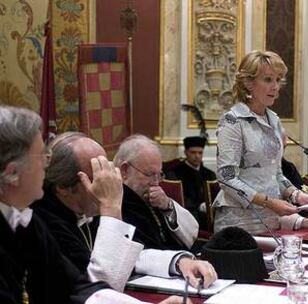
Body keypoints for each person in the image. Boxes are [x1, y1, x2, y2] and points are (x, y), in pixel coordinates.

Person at [0, 105, 186, 304]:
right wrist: (112, 209)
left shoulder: (27, 222)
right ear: (12, 173)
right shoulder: (45, 218)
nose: (47, 164)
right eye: (42, 157)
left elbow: (78, 287)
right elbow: (102, 281)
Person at [32, 132, 216, 291]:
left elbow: (133, 255)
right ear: (64, 187)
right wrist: (111, 208)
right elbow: (100, 287)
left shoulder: (83, 210)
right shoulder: (45, 222)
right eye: (98, 175)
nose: (111, 181)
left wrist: (180, 262)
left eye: (108, 170)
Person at [213, 50, 308, 235]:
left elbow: (275, 173)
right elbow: (227, 179)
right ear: (248, 83)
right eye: (268, 80)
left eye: (278, 80)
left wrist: (296, 194)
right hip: (239, 226)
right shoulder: (233, 121)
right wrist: (269, 202)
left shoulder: (274, 119)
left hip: (272, 222)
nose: (275, 86)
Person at [114, 135, 199, 251]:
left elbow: (193, 233)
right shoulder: (115, 203)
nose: (155, 183)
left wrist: (167, 205)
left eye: (159, 175)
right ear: (125, 170)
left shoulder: (154, 197)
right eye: (149, 174)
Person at [165, 136, 217, 230]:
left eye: (200, 153)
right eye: (193, 152)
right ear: (186, 152)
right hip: (188, 213)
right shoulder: (175, 173)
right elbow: (178, 198)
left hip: (209, 214)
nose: (197, 156)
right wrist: (199, 206)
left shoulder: (210, 174)